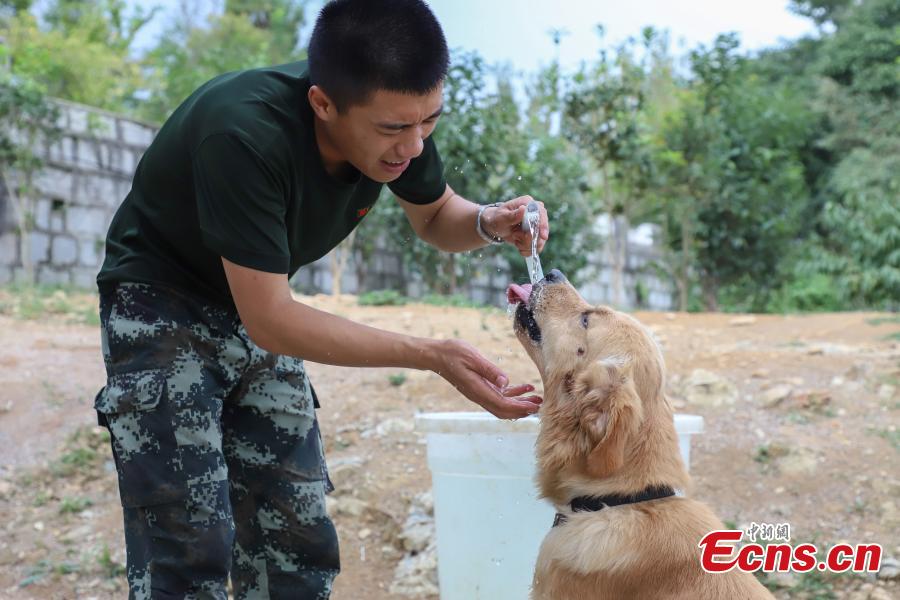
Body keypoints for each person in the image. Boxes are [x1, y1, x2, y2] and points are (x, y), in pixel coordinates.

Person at [93, 0, 549, 598]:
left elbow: (437, 215)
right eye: (394, 130)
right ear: (323, 104)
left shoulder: (394, 117)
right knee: (187, 544)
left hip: (256, 302)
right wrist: (432, 354)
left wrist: (492, 221)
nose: (412, 147)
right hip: (161, 304)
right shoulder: (243, 133)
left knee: (296, 537)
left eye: (429, 121)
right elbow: (274, 321)